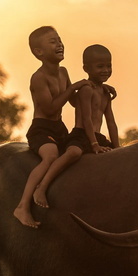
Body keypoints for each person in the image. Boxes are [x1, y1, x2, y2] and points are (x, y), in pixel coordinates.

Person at [13, 26, 90, 228]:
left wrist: (94, 87)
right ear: (39, 52)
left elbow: (73, 101)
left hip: (59, 128)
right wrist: (73, 87)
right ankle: (23, 206)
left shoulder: (63, 72)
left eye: (60, 40)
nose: (60, 44)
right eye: (53, 41)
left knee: (78, 153)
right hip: (42, 129)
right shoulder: (38, 78)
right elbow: (49, 108)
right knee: (51, 156)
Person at [31, 44, 119, 208]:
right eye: (100, 66)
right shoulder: (86, 90)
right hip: (82, 134)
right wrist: (94, 144)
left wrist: (118, 147)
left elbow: (111, 122)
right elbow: (86, 120)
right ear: (86, 68)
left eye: (108, 65)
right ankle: (41, 187)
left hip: (97, 136)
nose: (105, 70)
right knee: (73, 152)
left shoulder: (106, 93)